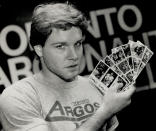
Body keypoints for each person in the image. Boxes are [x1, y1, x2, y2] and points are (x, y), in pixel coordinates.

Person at [0, 1, 136, 131]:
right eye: (60, 46)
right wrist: (105, 111)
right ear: (39, 49)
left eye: (77, 44)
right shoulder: (18, 96)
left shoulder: (96, 86)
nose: (74, 55)